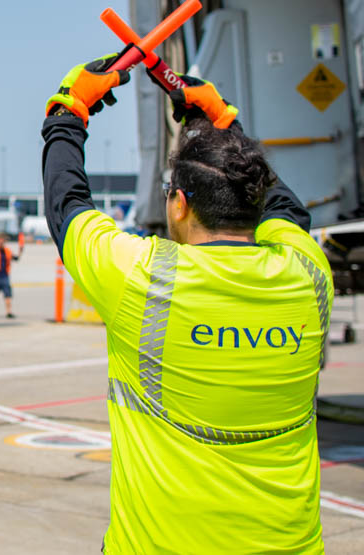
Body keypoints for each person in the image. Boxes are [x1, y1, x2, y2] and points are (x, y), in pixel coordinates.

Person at [41, 55, 330, 553]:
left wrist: (67, 113)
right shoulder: (306, 271)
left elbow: (67, 203)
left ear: (178, 203)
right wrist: (223, 123)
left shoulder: (143, 275)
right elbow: (286, 207)